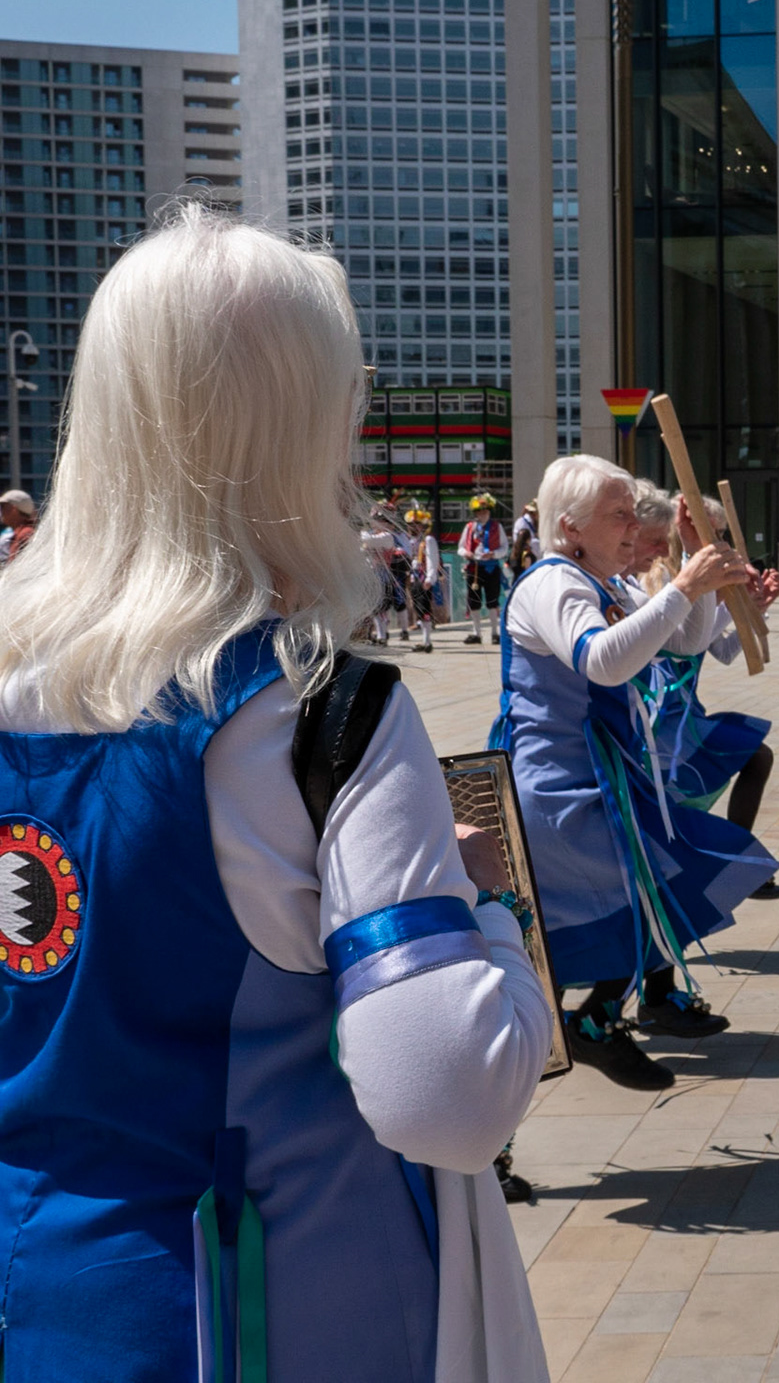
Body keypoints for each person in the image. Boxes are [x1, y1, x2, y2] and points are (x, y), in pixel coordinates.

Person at [0, 205, 551, 1379]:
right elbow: (444, 1096)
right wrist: (483, 906)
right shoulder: (319, 709)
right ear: (300, 428)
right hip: (265, 1313)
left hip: (39, 1291)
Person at [494, 455, 775, 1084]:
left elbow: (685, 642)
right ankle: (565, 1039)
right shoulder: (552, 583)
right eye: (618, 514)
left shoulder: (604, 584)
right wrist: (682, 588)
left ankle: (590, 1022)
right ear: (570, 526)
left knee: (649, 896)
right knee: (617, 907)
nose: (631, 526)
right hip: (555, 788)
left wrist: (695, 588)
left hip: (598, 780)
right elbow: (603, 661)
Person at [629, 487, 779, 907]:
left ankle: (736, 868)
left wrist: (754, 606)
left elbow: (718, 649)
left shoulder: (690, 582)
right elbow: (686, 643)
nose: (721, 544)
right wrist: (719, 597)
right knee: (679, 804)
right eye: (713, 534)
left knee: (753, 759)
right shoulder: (659, 578)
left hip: (683, 713)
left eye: (721, 535)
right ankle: (725, 872)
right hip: (659, 716)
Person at [458, 493, 509, 645]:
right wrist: (466, 553)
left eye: (485, 512)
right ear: (476, 513)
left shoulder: (496, 526)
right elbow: (460, 547)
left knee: (493, 601)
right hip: (473, 567)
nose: (483, 514)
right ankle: (476, 633)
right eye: (480, 512)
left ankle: (495, 633)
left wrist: (494, 553)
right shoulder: (469, 528)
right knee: (474, 601)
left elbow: (505, 547)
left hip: (491, 567)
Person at [358, 516, 406, 645]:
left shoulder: (386, 536)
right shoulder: (372, 535)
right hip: (369, 575)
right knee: (372, 608)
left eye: (379, 521)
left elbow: (367, 541)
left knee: (380, 607)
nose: (375, 524)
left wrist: (360, 530)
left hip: (381, 575)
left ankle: (382, 635)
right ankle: (374, 634)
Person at [405, 506, 442, 653]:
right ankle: (425, 641)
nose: (413, 527)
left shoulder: (428, 540)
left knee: (424, 608)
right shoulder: (413, 541)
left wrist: (430, 578)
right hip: (415, 577)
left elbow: (433, 560)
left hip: (423, 578)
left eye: (416, 524)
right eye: (411, 524)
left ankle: (427, 642)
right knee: (419, 609)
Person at [0, 489, 38, 562]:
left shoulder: (26, 534)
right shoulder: (20, 534)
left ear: (14, 509)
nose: (1, 511)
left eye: (3, 506)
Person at [510, 499, 542, 577]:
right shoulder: (522, 523)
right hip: (523, 559)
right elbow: (521, 541)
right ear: (535, 513)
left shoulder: (534, 523)